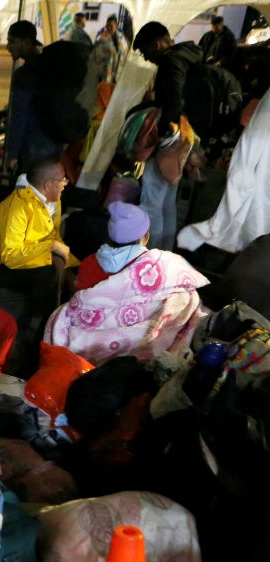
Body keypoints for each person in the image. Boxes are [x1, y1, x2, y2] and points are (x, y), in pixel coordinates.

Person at [45, 201, 209, 366]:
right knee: (188, 297)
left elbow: (83, 304)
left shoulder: (89, 263)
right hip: (132, 350)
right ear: (145, 237)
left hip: (88, 346)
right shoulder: (161, 264)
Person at [0, 157, 79, 323]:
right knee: (49, 272)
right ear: (47, 185)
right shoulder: (17, 208)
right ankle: (40, 326)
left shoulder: (54, 203)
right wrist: (50, 247)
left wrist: (71, 270)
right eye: (62, 179)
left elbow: (54, 238)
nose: (66, 183)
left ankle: (56, 322)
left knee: (66, 267)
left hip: (28, 255)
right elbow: (10, 257)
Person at [132, 21, 203, 250]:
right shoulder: (189, 57)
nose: (146, 57)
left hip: (171, 139)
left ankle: (150, 255)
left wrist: (160, 135)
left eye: (146, 51)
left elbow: (173, 103)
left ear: (159, 44)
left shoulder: (170, 62)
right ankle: (166, 253)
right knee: (167, 201)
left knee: (151, 201)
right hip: (186, 137)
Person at [5, 20, 60, 174]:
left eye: (12, 41)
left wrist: (13, 153)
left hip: (33, 145)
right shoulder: (51, 65)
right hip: (54, 143)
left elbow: (19, 115)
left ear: (27, 42)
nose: (8, 46)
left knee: (29, 192)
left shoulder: (24, 74)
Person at [93, 15, 129, 84]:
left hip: (118, 74)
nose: (109, 27)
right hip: (105, 73)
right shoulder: (101, 38)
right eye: (107, 25)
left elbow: (125, 53)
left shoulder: (122, 38)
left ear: (116, 25)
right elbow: (96, 55)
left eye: (111, 25)